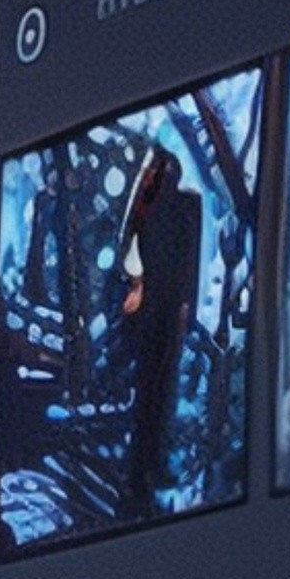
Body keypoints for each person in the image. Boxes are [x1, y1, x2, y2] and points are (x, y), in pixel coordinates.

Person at [111, 139, 200, 518]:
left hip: (163, 314)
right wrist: (138, 285)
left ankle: (145, 474)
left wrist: (181, 307)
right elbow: (133, 251)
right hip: (151, 315)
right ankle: (139, 475)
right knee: (149, 395)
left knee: (157, 396)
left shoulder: (183, 205)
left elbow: (187, 265)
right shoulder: (152, 208)